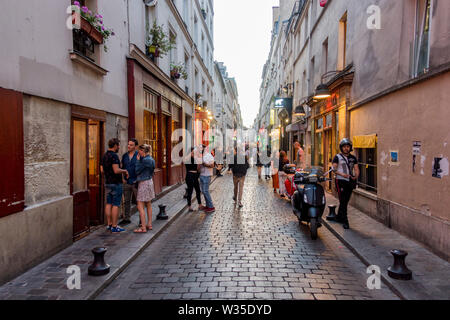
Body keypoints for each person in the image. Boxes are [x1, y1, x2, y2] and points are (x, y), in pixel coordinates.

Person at [101, 138, 129, 234]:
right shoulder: (114, 156)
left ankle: (109, 224)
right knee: (116, 204)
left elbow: (102, 170)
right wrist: (124, 170)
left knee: (109, 203)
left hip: (108, 182)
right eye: (118, 145)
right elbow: (116, 170)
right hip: (116, 183)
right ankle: (114, 226)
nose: (119, 147)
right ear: (115, 146)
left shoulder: (104, 156)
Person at [331, 138, 360, 229]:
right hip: (340, 181)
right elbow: (334, 169)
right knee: (343, 201)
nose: (346, 148)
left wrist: (356, 176)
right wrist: (342, 174)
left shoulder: (353, 158)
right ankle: (345, 221)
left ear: (350, 147)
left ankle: (339, 216)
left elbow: (356, 168)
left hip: (350, 182)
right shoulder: (337, 157)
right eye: (344, 147)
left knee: (345, 201)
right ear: (341, 148)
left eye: (348, 147)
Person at [133, 144, 156, 233]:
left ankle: (143, 227)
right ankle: (149, 224)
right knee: (148, 204)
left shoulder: (145, 160)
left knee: (140, 205)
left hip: (143, 183)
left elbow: (137, 170)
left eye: (139, 151)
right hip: (150, 182)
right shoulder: (151, 159)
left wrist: (138, 161)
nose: (138, 153)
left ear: (143, 151)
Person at [119, 139, 139, 226]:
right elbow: (122, 168)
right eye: (128, 144)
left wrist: (138, 179)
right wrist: (122, 178)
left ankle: (141, 220)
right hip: (126, 182)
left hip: (136, 182)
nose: (129, 146)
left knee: (139, 201)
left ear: (135, 146)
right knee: (126, 201)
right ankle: (126, 218)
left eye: (131, 145)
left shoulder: (139, 155)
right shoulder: (124, 156)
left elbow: (142, 168)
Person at [184, 147, 202, 212]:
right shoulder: (187, 158)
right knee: (190, 191)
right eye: (193, 152)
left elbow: (197, 168)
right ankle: (189, 206)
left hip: (195, 176)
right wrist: (190, 154)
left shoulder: (195, 159)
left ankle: (200, 204)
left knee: (198, 190)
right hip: (189, 176)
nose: (194, 153)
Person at [199, 144, 215, 213]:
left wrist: (204, 164)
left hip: (207, 175)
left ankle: (211, 206)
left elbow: (212, 165)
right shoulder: (201, 156)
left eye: (200, 148)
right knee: (203, 191)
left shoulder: (209, 156)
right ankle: (208, 205)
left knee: (205, 191)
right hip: (202, 175)